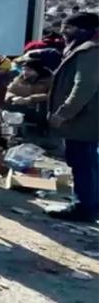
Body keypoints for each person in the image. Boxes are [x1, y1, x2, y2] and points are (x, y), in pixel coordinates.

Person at [46, 12, 99, 222]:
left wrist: (63, 113)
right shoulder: (85, 49)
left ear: (84, 30)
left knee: (82, 162)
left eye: (67, 29)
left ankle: (83, 207)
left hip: (84, 120)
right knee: (88, 161)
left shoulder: (89, 51)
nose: (63, 33)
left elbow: (84, 86)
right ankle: (90, 203)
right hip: (85, 119)